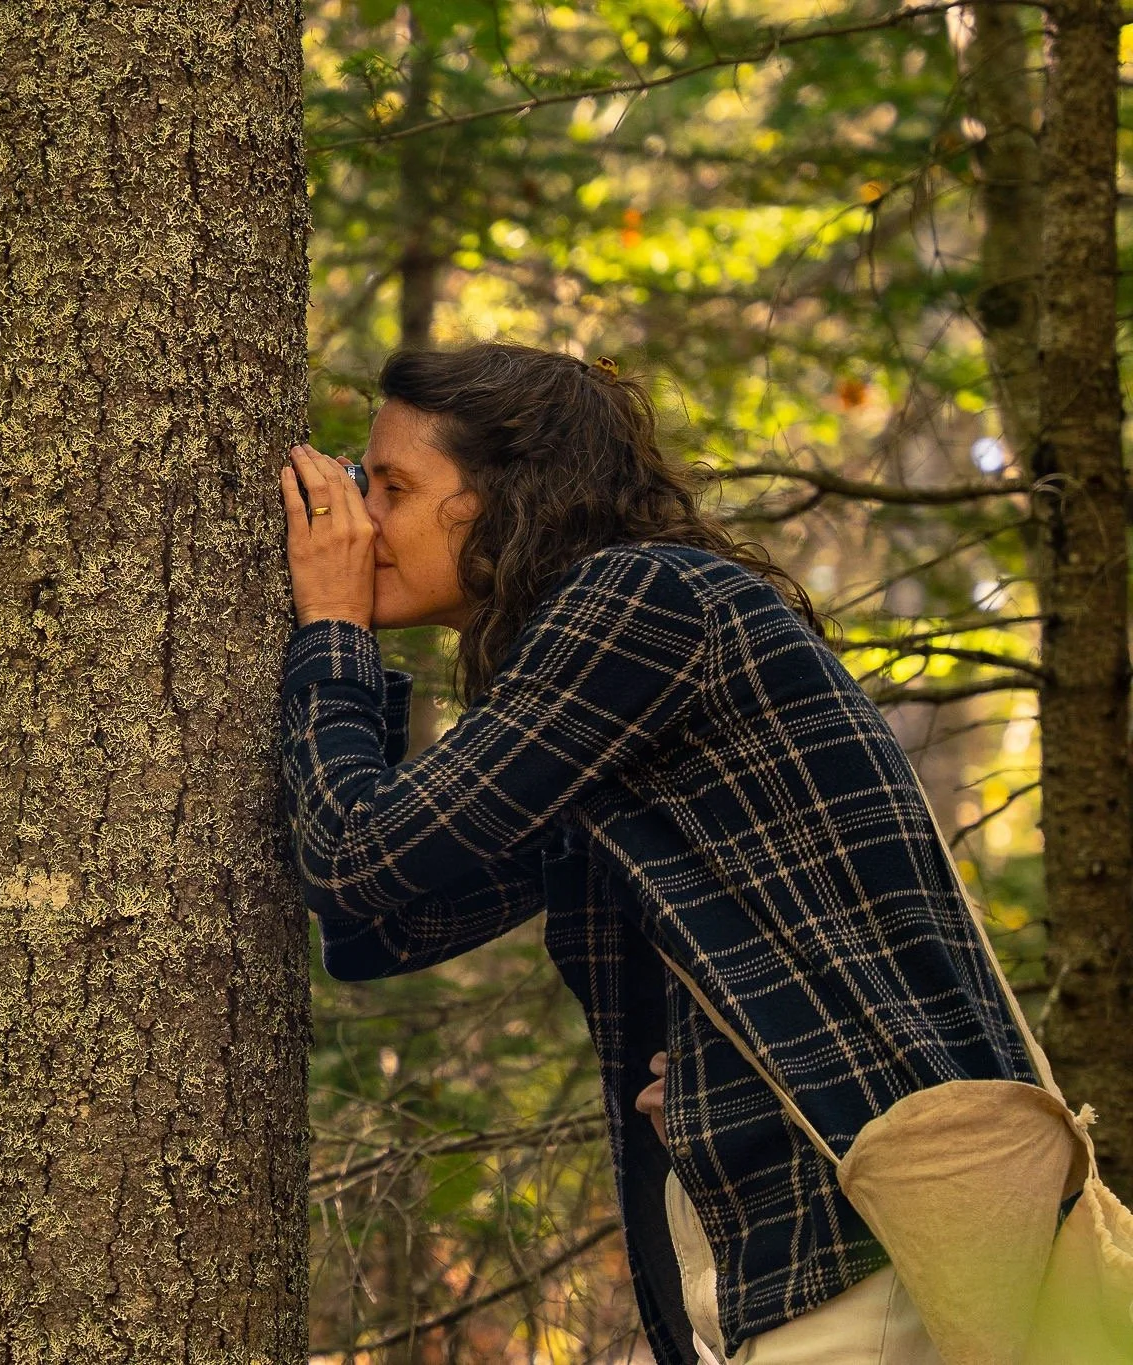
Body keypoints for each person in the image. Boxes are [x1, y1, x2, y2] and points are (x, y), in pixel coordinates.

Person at [278, 344, 1036, 1365]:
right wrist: (351, 662)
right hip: (796, 1236)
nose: (363, 520)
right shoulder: (607, 679)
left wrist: (329, 630)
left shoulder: (646, 604)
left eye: (395, 487)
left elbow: (351, 860)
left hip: (864, 1222)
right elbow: (377, 929)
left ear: (507, 497)